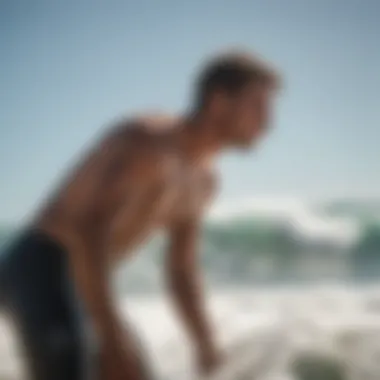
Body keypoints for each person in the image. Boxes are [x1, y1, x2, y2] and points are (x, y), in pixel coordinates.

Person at [0, 50, 280, 380]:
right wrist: (110, 334)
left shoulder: (204, 181)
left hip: (83, 284)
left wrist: (205, 344)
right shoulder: (147, 141)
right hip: (39, 269)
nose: (268, 121)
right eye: (258, 106)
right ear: (219, 101)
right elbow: (88, 228)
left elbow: (181, 271)